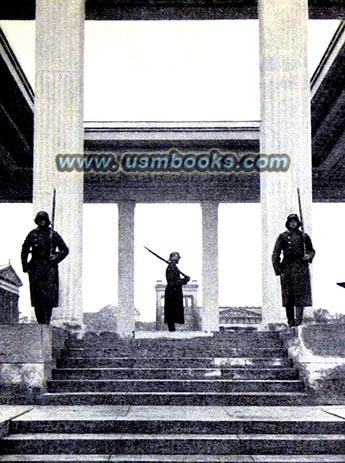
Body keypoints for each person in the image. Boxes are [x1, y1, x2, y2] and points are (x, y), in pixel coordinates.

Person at [21, 211, 69, 325]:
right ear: (37, 221)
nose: (42, 221)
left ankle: (47, 321)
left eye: (44, 219)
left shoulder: (53, 234)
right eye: (40, 219)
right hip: (36, 267)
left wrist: (56, 256)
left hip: (49, 268)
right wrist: (25, 266)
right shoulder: (32, 234)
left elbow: (65, 250)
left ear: (47, 221)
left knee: (49, 296)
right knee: (37, 297)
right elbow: (25, 250)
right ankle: (40, 322)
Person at [272, 213, 315, 327]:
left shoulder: (304, 236)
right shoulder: (282, 236)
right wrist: (279, 269)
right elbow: (275, 254)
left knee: (300, 295)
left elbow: (311, 250)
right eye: (291, 221)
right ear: (288, 223)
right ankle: (290, 320)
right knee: (288, 296)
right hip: (287, 268)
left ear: (298, 223)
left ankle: (299, 320)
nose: (293, 223)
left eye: (295, 221)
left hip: (301, 267)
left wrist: (309, 256)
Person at [164, 252, 190, 332]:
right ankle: (172, 330)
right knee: (172, 310)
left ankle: (172, 329)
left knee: (172, 310)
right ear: (174, 258)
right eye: (178, 257)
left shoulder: (173, 267)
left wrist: (184, 280)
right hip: (172, 292)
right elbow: (173, 281)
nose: (179, 259)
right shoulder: (172, 267)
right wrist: (185, 280)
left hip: (173, 291)